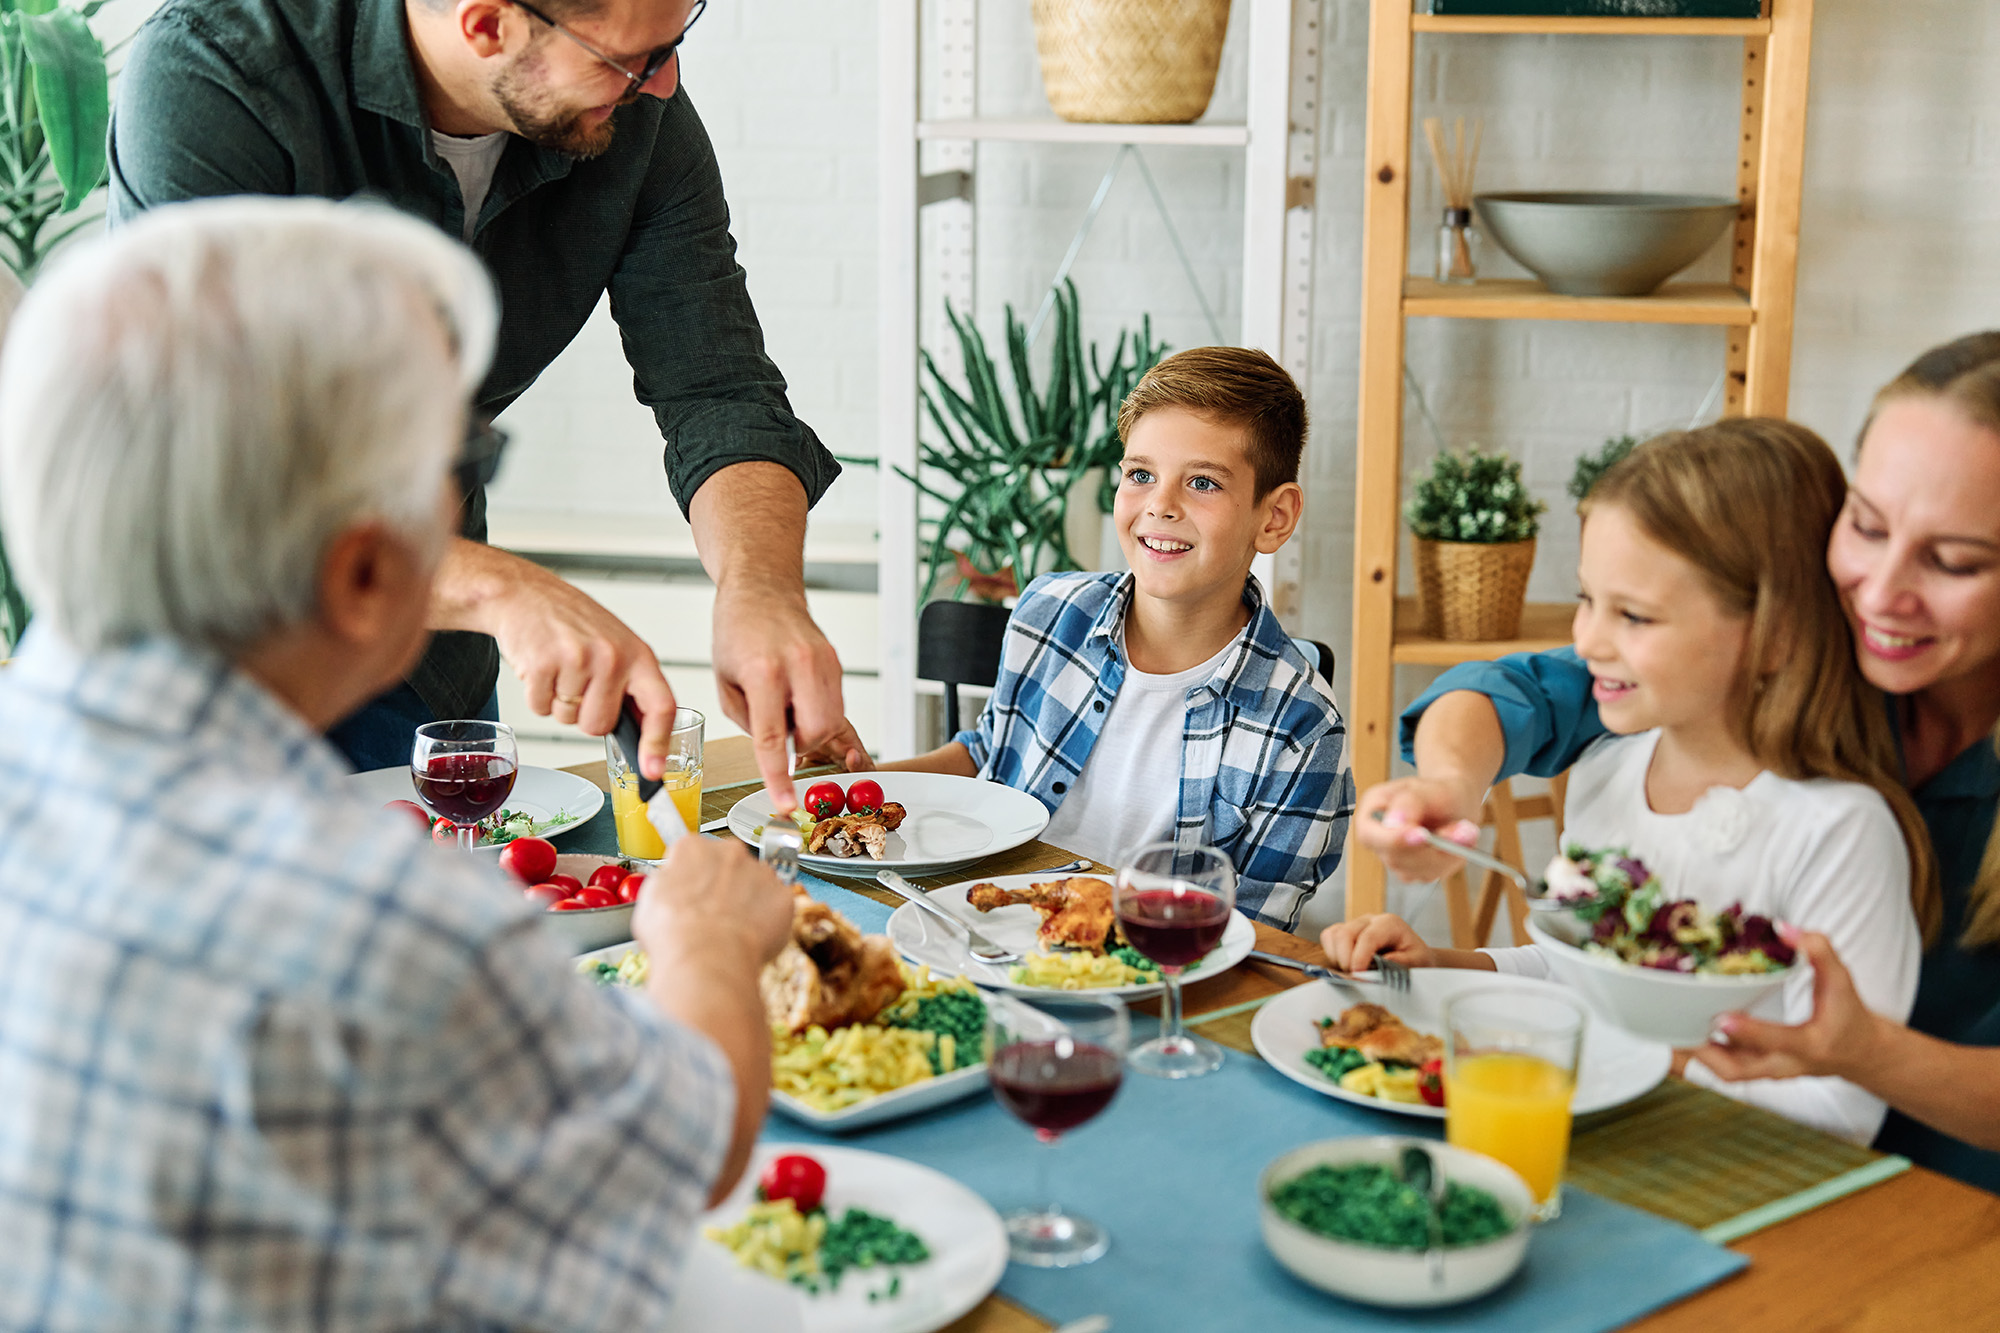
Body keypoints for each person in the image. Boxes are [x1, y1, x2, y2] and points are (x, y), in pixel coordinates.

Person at [0, 197, 796, 1325]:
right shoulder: (383, 921)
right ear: (369, 575)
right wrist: (705, 943)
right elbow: (685, 1150)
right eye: (462, 457)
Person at [109, 0, 847, 806]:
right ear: (486, 22)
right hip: (193, 657)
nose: (664, 85)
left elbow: (719, 390)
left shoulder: (634, 113)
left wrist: (761, 588)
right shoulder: (219, 74)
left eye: (673, 44)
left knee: (456, 913)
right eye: (628, 61)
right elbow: (212, 476)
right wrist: (504, 591)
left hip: (424, 657)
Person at [1360, 333, 2000, 1188]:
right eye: (1868, 524)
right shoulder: (1664, 720)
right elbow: (1520, 693)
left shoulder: (1836, 813)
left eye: (1955, 559)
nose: (1878, 594)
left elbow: (1831, 1098)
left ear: (1771, 630)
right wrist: (1442, 799)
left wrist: (1855, 1053)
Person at [820, 348, 1354, 928]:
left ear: (1273, 518)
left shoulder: (1303, 731)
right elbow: (990, 756)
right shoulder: (1049, 610)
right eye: (1141, 474)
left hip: (1140, 980)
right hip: (978, 928)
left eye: (1202, 482)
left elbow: (1250, 938)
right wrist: (854, 784)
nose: (1160, 506)